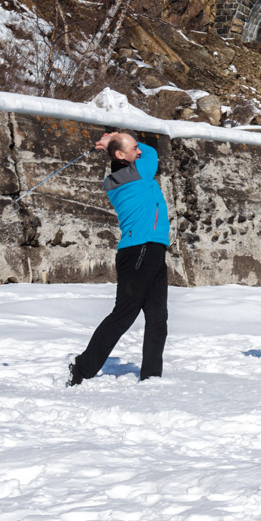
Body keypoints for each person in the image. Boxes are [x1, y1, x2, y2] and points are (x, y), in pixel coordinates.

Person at [67, 132, 170, 386]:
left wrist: (114, 143)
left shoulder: (120, 177)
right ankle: (82, 368)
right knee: (124, 314)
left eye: (137, 148)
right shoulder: (136, 174)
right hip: (140, 250)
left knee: (158, 317)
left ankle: (151, 376)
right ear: (120, 156)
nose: (139, 151)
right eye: (134, 148)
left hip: (152, 250)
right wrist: (113, 137)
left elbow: (139, 153)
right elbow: (153, 153)